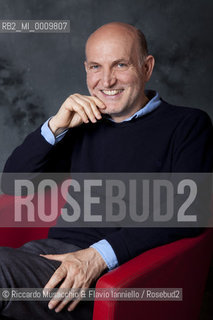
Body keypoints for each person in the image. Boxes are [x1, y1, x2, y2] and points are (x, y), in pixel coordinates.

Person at [1, 22, 213, 320]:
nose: (107, 80)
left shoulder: (188, 125)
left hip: (112, 275)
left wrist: (98, 256)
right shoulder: (82, 125)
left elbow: (190, 212)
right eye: (95, 67)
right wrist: (55, 126)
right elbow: (15, 182)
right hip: (48, 257)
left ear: (147, 67)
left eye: (121, 65)